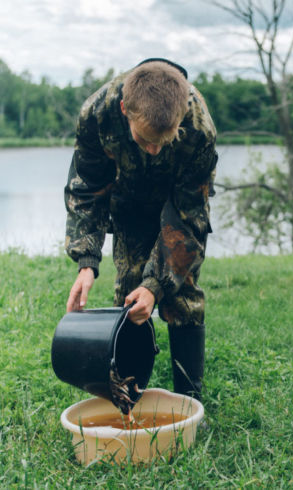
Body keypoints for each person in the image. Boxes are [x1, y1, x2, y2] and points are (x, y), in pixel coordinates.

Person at [64, 58, 218, 401]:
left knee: (183, 292)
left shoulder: (198, 128)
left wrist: (157, 284)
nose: (154, 149)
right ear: (124, 110)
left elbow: (188, 214)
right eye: (146, 139)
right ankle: (129, 398)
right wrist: (86, 261)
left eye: (165, 141)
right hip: (128, 201)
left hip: (178, 202)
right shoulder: (97, 114)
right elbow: (87, 188)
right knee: (131, 294)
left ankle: (190, 401)